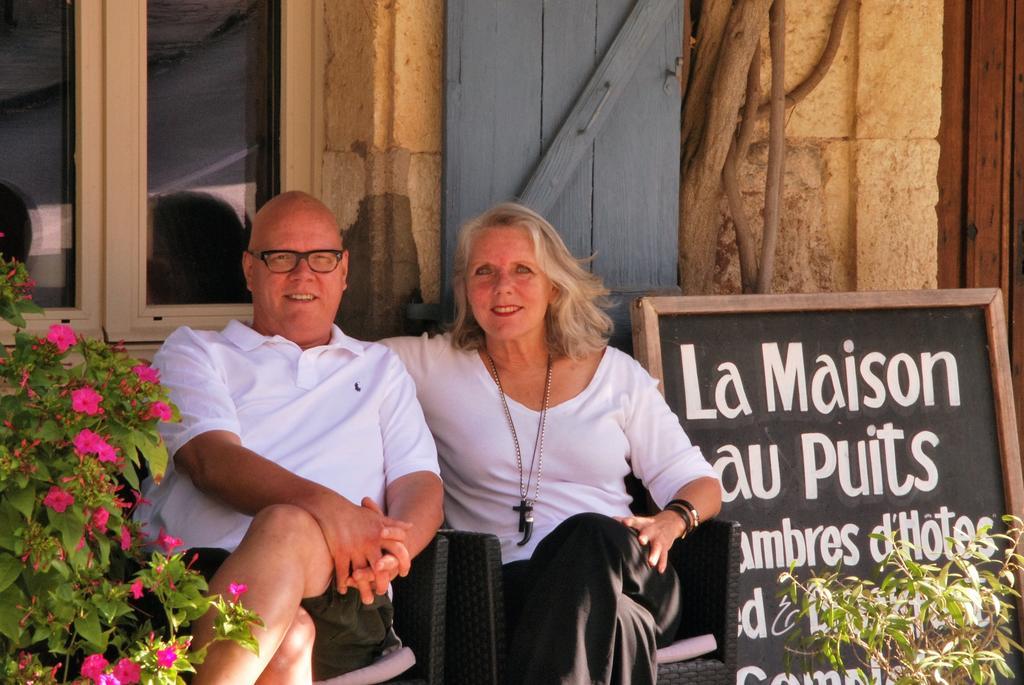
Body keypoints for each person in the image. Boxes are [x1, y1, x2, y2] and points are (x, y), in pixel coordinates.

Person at [383, 202, 722, 685]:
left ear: (554, 285)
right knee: (622, 625)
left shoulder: (614, 376)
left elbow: (701, 481)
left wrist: (672, 520)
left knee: (589, 534)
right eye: (485, 272)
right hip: (507, 589)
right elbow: (337, 364)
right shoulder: (428, 367)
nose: (503, 287)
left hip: (634, 572)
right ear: (465, 291)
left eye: (523, 270)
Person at [135, 191, 444, 684]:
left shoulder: (380, 368)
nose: (304, 276)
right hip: (197, 586)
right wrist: (329, 509)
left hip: (343, 591)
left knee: (289, 531)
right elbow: (210, 461)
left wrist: (391, 547)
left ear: (343, 271)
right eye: (281, 258)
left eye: (321, 259)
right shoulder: (195, 352)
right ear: (249, 269)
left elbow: (419, 482)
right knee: (286, 633)